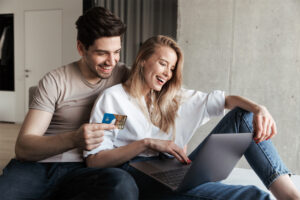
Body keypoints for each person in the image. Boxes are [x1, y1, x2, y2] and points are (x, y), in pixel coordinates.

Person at [85, 35, 300, 200]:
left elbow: (227, 100)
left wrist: (259, 108)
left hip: (174, 170)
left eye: (172, 68)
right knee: (253, 196)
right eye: (162, 63)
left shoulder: (174, 98)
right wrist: (146, 144)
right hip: (137, 174)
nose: (168, 73)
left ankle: (291, 196)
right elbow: (95, 161)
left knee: (244, 116)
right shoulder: (114, 100)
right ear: (142, 60)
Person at [0, 7, 139, 200]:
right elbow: (23, 148)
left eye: (116, 52)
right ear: (81, 48)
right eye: (102, 53)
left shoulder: (125, 76)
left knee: (122, 185)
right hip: (39, 166)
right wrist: (74, 139)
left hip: (86, 168)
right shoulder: (55, 81)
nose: (112, 61)